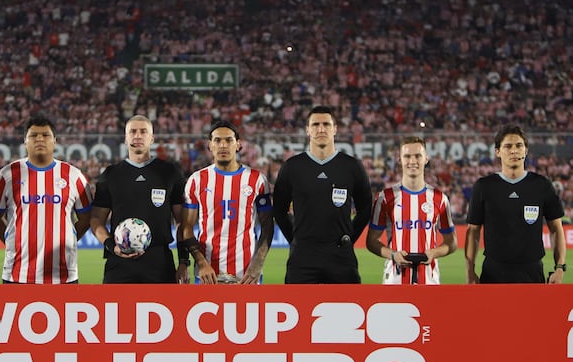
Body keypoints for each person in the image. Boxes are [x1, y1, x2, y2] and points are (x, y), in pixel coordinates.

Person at [272, 105, 372, 284]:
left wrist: (349, 237)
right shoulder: (292, 167)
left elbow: (365, 209)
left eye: (326, 124)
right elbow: (279, 210)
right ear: (307, 130)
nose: (321, 129)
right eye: (315, 124)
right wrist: (296, 239)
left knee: (349, 308)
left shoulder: (351, 166)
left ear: (335, 129)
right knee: (297, 308)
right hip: (302, 255)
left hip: (341, 254)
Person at [0, 115, 93, 284]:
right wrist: (10, 238)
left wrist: (70, 235)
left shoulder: (74, 176)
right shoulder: (7, 175)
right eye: (33, 135)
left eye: (45, 135)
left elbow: (87, 217)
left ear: (55, 140)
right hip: (17, 274)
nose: (39, 139)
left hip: (63, 274)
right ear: (25, 141)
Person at [465, 125, 566, 284]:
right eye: (508, 146)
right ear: (497, 152)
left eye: (519, 145)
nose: (514, 150)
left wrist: (559, 267)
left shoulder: (542, 185)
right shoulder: (484, 186)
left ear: (526, 150)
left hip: (532, 271)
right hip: (493, 272)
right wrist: (470, 271)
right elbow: (473, 231)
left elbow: (556, 229)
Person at [90, 115, 185, 283]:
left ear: (152, 138)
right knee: (114, 310)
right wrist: (112, 246)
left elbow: (181, 223)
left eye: (143, 131)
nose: (138, 136)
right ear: (126, 138)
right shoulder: (111, 175)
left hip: (159, 262)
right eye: (132, 131)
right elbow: (96, 219)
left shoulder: (170, 173)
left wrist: (184, 262)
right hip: (119, 262)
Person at [179, 120, 274, 284]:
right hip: (207, 273)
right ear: (210, 145)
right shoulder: (197, 181)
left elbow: (267, 226)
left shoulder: (257, 180)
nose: (223, 145)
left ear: (238, 144)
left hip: (247, 274)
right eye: (217, 140)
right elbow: (187, 228)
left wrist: (257, 264)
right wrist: (201, 263)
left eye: (229, 140)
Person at [366, 136, 457, 284]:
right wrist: (394, 255)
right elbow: (371, 241)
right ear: (400, 159)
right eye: (407, 156)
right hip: (395, 280)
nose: (412, 161)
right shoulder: (385, 198)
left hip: (429, 279)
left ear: (426, 158)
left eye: (418, 156)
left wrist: (434, 252)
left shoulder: (440, 199)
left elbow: (451, 242)